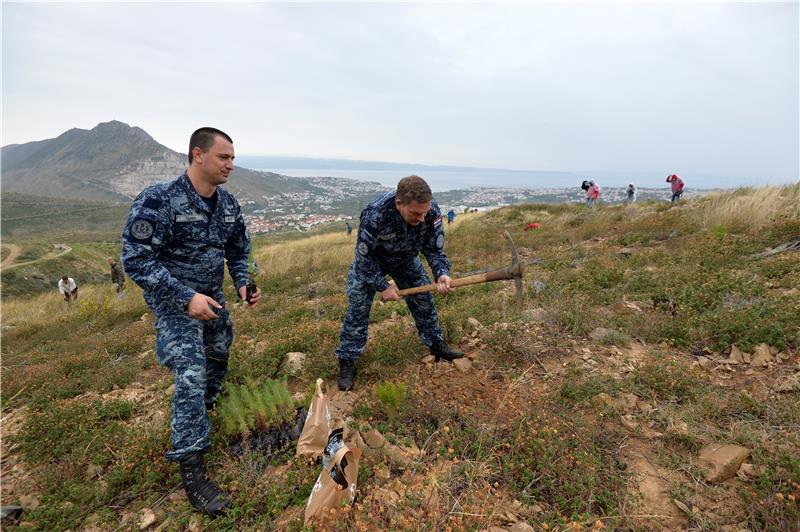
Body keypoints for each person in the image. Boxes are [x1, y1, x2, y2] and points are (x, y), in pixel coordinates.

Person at [121, 127, 262, 517]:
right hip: (173, 302)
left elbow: (237, 248)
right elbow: (136, 259)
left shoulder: (228, 205)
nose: (231, 165)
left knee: (218, 354)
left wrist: (244, 282)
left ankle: (206, 410)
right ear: (198, 155)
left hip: (211, 300)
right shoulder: (159, 199)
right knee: (191, 371)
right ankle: (192, 466)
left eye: (233, 158)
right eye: (224, 157)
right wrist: (185, 298)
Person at [335, 175, 463, 391]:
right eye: (415, 213)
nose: (421, 218)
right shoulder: (376, 215)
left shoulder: (430, 212)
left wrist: (441, 273)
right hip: (373, 264)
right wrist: (383, 286)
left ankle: (435, 343)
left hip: (405, 260)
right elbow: (363, 259)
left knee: (424, 300)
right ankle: (347, 360)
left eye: (424, 212)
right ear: (399, 204)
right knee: (358, 307)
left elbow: (434, 249)